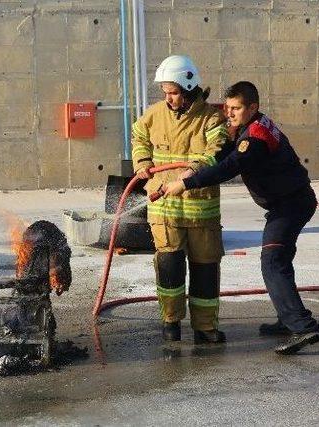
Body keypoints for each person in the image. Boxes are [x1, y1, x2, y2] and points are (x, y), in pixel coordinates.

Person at [163, 81, 319, 355]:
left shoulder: (257, 137)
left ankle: (303, 327)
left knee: (273, 261)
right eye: (228, 108)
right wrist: (194, 169)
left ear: (253, 107)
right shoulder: (250, 127)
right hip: (286, 204)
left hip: (291, 205)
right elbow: (226, 153)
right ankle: (288, 319)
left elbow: (231, 166)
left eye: (236, 108)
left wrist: (187, 185)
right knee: (280, 261)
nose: (230, 113)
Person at [131, 55, 230, 343]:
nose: (169, 98)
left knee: (206, 268)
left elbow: (216, 152)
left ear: (189, 88)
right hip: (164, 209)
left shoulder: (212, 118)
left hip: (201, 209)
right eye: (165, 92)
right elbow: (139, 137)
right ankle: (170, 322)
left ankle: (205, 327)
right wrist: (142, 162)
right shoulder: (153, 114)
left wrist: (188, 176)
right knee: (169, 266)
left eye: (173, 92)